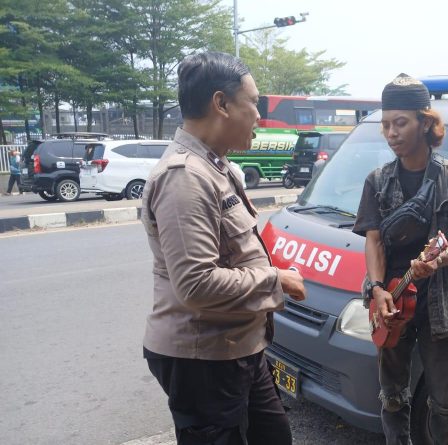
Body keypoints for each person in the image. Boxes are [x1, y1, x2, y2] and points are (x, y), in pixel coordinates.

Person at [140, 51, 305, 445]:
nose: (259, 116)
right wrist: (276, 279)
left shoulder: (217, 166)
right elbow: (196, 284)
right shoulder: (184, 177)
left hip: (238, 347)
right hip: (204, 359)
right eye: (254, 103)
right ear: (222, 104)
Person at [353, 74, 448, 445]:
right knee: (392, 397)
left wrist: (438, 261)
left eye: (400, 123)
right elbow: (373, 239)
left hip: (439, 305)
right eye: (385, 125)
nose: (391, 133)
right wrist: (377, 288)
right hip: (391, 301)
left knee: (444, 401)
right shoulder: (377, 181)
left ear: (425, 123)